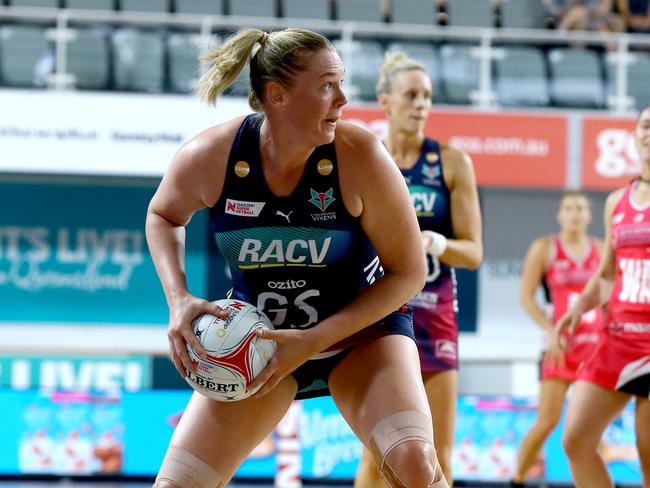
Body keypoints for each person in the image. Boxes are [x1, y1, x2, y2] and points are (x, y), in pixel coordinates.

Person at [145, 28, 449, 488]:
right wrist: (178, 298)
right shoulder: (213, 156)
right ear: (276, 95)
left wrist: (315, 339)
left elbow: (409, 273)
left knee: (414, 464)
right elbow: (162, 214)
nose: (343, 99)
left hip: (362, 335)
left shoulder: (360, 154)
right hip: (259, 346)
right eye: (327, 85)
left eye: (342, 83)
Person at [354, 52, 483, 488]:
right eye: (411, 95)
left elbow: (474, 253)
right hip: (381, 316)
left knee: (437, 455)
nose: (421, 104)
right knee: (378, 457)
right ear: (385, 101)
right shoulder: (365, 158)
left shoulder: (451, 162)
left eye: (427, 96)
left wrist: (439, 243)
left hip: (435, 316)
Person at [557, 106, 650, 488]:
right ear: (635, 134)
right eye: (645, 126)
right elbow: (608, 274)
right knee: (576, 440)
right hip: (618, 338)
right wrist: (578, 308)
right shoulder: (617, 202)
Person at [511, 191, 603, 487]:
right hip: (560, 347)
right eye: (569, 208)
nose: (575, 213)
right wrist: (551, 331)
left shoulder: (601, 249)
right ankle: (516, 479)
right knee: (548, 420)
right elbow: (526, 298)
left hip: (595, 348)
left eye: (580, 208)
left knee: (590, 427)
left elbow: (610, 296)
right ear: (559, 214)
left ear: (589, 216)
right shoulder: (545, 248)